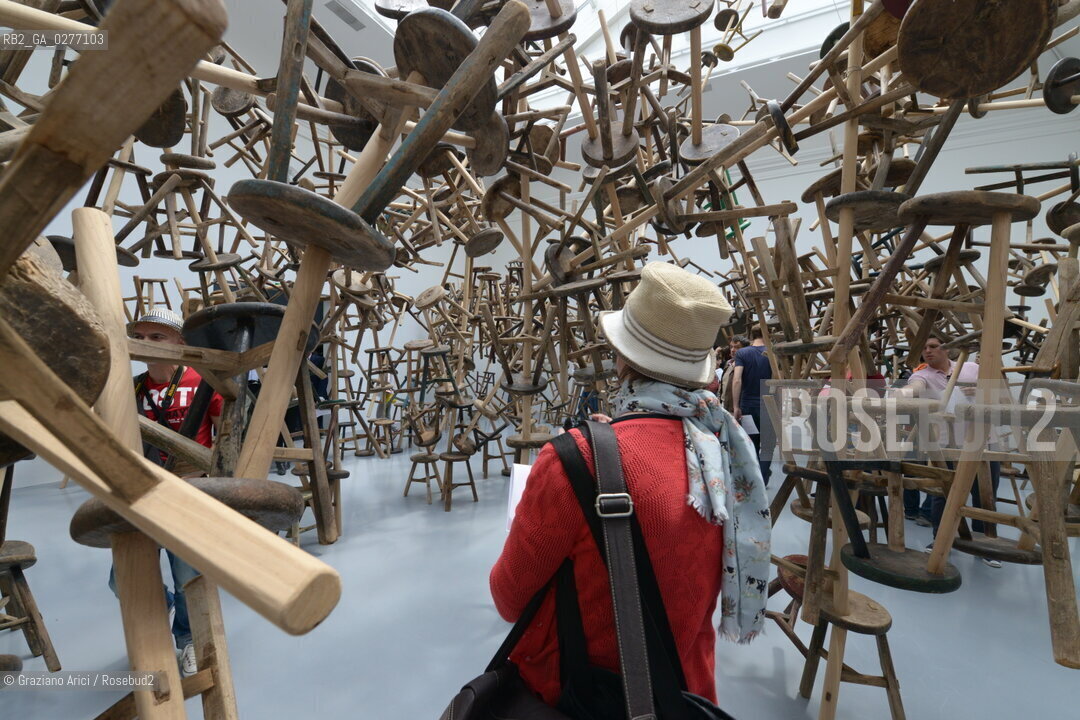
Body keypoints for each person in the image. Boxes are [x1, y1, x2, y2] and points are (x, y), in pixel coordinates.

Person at [490, 262, 770, 709]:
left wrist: (593, 456)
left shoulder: (575, 460)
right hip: (684, 694)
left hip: (584, 696)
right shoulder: (724, 456)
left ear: (622, 358)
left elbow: (509, 598)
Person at [120, 308, 224, 674]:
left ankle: (188, 640)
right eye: (140, 336)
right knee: (124, 578)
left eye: (157, 337)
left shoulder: (203, 381)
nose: (145, 343)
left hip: (190, 487)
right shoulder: (130, 387)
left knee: (186, 577)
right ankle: (159, 604)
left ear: (180, 341)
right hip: (145, 492)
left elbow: (223, 441)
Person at [899, 333, 1001, 568]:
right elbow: (914, 387)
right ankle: (941, 539)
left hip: (983, 441)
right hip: (947, 444)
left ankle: (985, 544)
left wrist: (980, 393)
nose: (928, 351)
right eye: (925, 347)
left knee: (984, 495)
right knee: (942, 494)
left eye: (933, 346)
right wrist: (901, 394)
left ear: (947, 349)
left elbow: (996, 396)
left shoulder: (972, 369)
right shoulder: (922, 375)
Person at [731, 327, 773, 486]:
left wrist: (736, 406)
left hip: (748, 405)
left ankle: (755, 481)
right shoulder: (773, 353)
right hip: (770, 405)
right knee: (768, 446)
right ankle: (762, 480)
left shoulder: (743, 353)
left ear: (750, 336)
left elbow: (737, 380)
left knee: (752, 443)